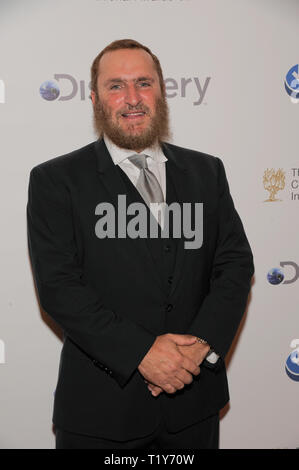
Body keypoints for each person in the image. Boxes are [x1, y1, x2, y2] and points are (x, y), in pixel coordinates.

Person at [27, 39, 254, 449]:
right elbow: (59, 288)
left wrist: (199, 347)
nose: (132, 98)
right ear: (95, 99)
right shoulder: (56, 181)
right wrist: (142, 354)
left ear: (162, 91)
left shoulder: (206, 171)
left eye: (143, 83)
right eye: (116, 86)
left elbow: (235, 265)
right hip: (100, 413)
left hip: (194, 407)